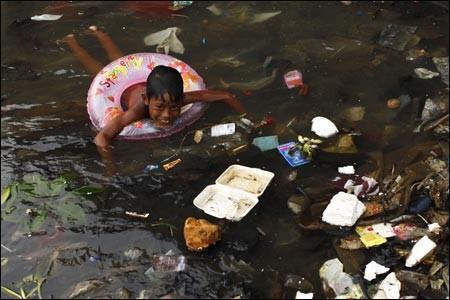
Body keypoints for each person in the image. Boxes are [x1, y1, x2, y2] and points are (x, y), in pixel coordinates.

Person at [61, 26, 247, 176]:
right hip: (120, 88)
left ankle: (99, 33)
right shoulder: (137, 109)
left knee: (118, 59)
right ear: (147, 100)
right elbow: (102, 137)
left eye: (174, 108)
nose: (167, 115)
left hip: (140, 83)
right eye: (159, 108)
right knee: (103, 68)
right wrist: (110, 169)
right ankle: (73, 41)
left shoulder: (176, 99)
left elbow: (225, 96)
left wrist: (246, 118)